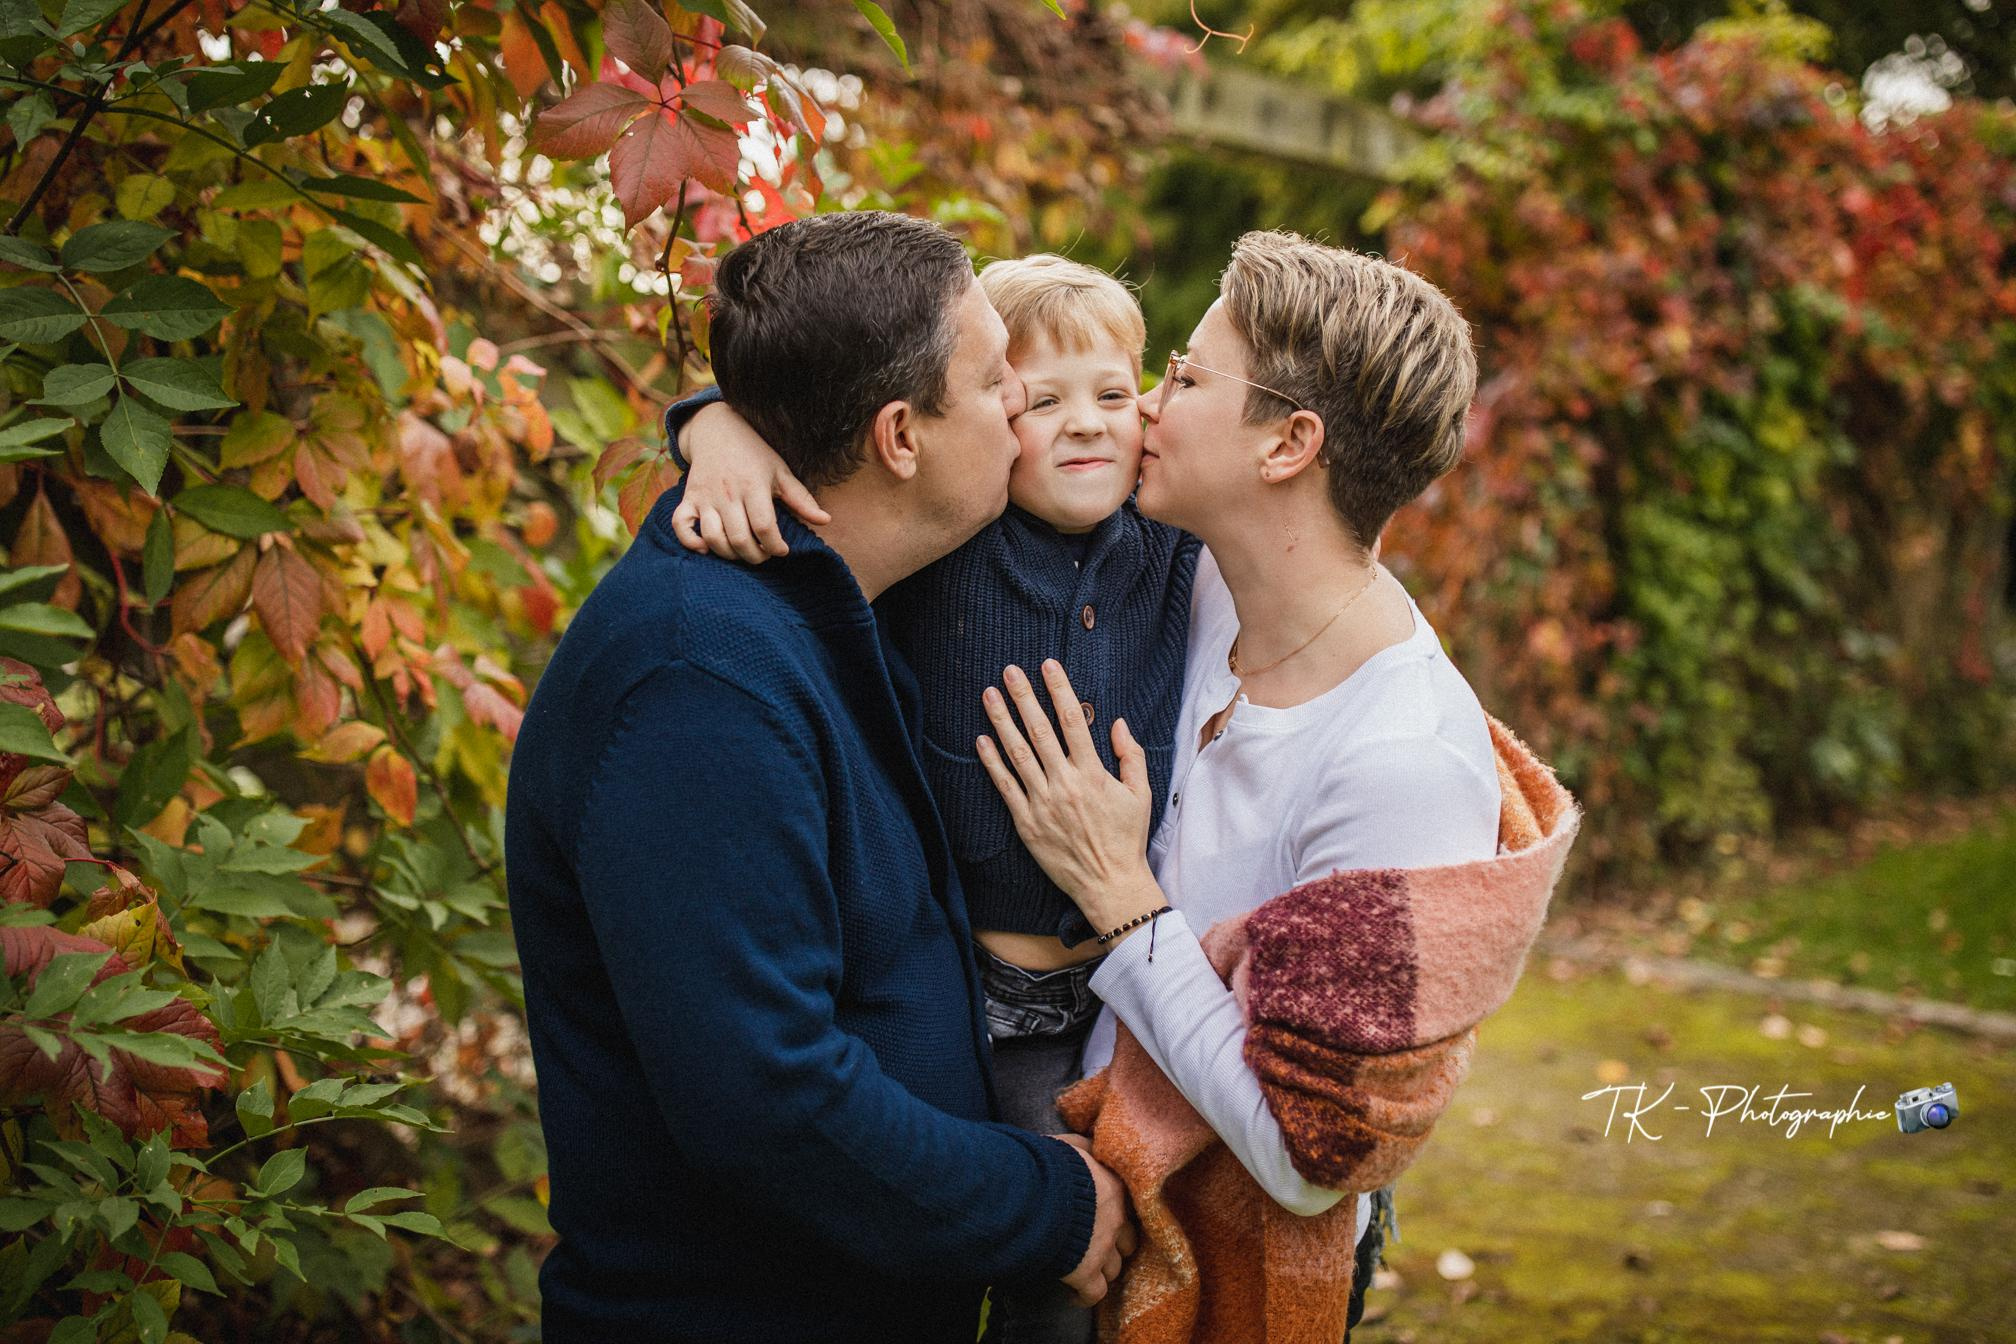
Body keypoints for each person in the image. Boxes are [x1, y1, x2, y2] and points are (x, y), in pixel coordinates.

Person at [664, 248, 1396, 1340]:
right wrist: (711, 422)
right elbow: (832, 428)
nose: (1088, 423)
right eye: (1041, 401)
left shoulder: (1166, 541)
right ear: (993, 421)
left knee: (1096, 1273)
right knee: (987, 1240)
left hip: (1110, 994)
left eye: (1115, 394)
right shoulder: (955, 536)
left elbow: (1312, 535)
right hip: (974, 994)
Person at [503, 211, 1133, 1344]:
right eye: (999, 382)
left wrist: (712, 421)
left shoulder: (835, 599)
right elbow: (769, 1102)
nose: (1023, 412)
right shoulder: (697, 686)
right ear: (899, 437)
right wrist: (1049, 1204)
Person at [976, 232, 1561, 1340]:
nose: (1143, 406)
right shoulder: (1188, 581)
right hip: (1072, 1196)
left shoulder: (1401, 760)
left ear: (1290, 444)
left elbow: (1309, 1161)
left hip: (1218, 1251)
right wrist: (725, 430)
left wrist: (1119, 896)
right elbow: (938, 389)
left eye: (1187, 378)